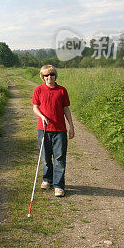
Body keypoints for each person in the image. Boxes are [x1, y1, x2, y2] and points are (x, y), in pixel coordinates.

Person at [32, 65, 75, 197]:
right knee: (45, 157)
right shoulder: (38, 89)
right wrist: (42, 116)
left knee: (60, 158)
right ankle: (47, 179)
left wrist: (71, 126)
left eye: (51, 75)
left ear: (55, 76)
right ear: (42, 77)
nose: (49, 78)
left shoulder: (62, 90)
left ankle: (59, 185)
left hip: (60, 130)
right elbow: (35, 107)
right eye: (46, 75)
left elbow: (66, 109)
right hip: (43, 129)